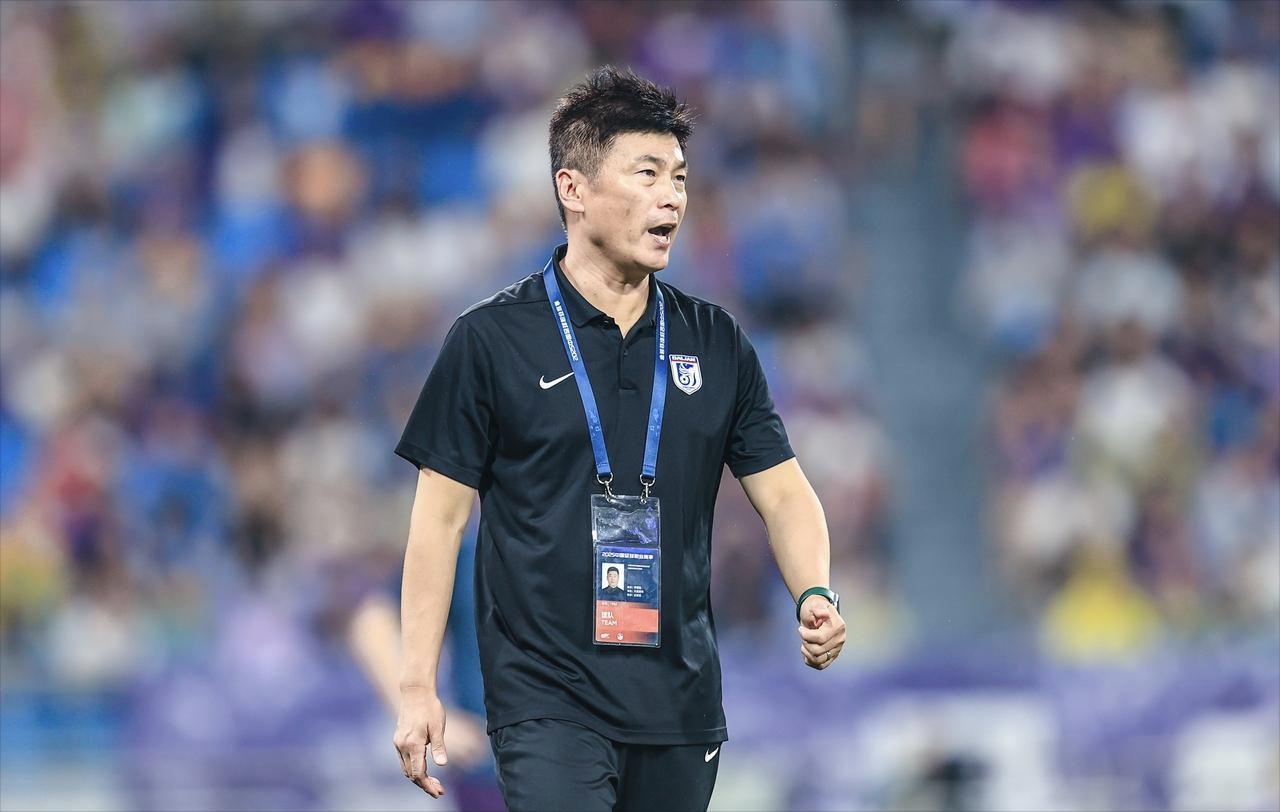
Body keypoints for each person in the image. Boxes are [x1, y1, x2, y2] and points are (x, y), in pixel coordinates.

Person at [392, 66, 845, 811]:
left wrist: (815, 591)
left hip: (681, 702)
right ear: (573, 189)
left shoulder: (716, 342)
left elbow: (785, 493)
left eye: (680, 177)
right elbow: (437, 522)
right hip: (546, 701)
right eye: (647, 173)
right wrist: (417, 686)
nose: (673, 197)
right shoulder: (489, 341)